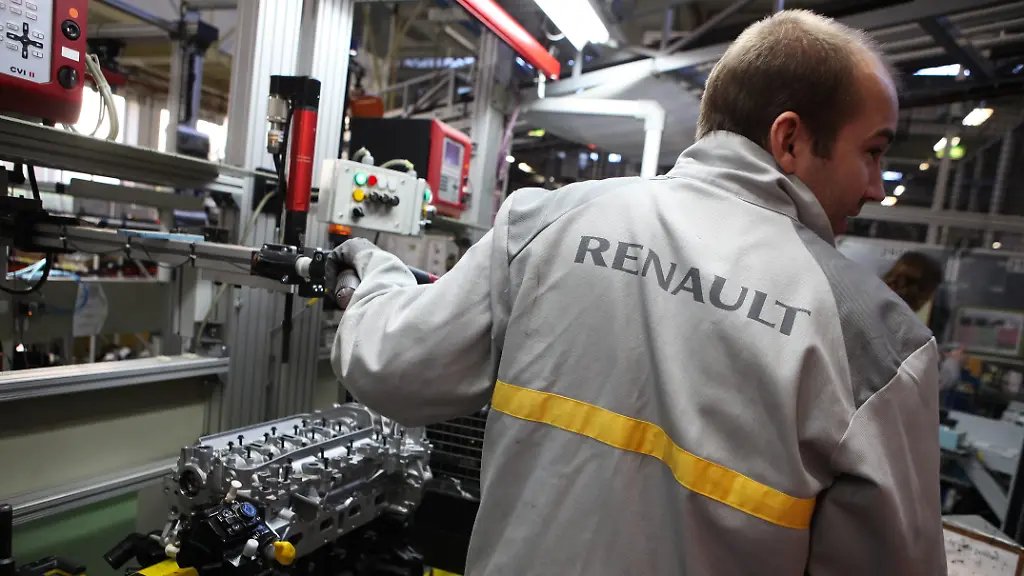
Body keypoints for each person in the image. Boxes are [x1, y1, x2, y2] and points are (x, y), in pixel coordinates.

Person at [327, 9, 945, 576]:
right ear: (790, 140)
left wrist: (375, 273)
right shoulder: (879, 346)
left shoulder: (546, 223)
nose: (876, 186)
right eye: (873, 152)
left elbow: (390, 365)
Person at [883, 251, 963, 393]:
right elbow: (931, 384)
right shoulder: (914, 336)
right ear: (926, 294)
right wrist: (953, 363)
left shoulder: (863, 308)